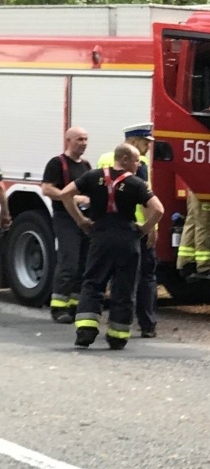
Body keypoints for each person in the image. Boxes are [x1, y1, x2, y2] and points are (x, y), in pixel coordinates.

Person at [54, 144, 163, 350]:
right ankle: (118, 335)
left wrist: (81, 221)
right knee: (124, 287)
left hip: (100, 236)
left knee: (93, 282)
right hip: (127, 239)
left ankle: (86, 330)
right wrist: (144, 229)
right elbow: (158, 209)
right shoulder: (137, 183)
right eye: (135, 160)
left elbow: (65, 194)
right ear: (123, 159)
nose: (138, 164)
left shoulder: (93, 177)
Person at [97, 124, 158, 337]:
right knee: (145, 277)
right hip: (137, 229)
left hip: (109, 228)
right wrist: (152, 228)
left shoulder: (105, 159)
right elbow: (144, 199)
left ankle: (117, 321)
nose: (148, 147)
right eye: (145, 143)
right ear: (132, 142)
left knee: (114, 276)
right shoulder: (138, 163)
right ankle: (147, 325)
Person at [41, 127, 93, 322]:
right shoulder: (57, 163)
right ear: (68, 140)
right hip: (65, 218)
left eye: (86, 139)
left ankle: (74, 305)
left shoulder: (86, 166)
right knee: (69, 262)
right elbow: (47, 189)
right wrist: (72, 197)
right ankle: (58, 307)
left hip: (85, 218)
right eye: (79, 139)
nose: (84, 143)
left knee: (83, 263)